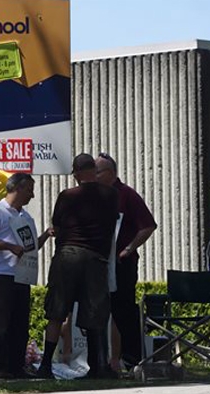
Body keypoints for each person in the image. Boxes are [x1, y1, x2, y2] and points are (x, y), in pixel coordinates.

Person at [36, 153, 119, 379]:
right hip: (95, 258)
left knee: (56, 312)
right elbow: (112, 224)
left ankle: (45, 366)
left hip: (68, 255)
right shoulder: (111, 195)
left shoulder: (67, 196)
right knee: (95, 313)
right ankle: (98, 366)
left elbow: (58, 226)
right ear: (94, 169)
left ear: (77, 172)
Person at [0, 173, 53, 379]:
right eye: (29, 189)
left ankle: (16, 366)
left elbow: (30, 248)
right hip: (0, 275)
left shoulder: (26, 217)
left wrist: (46, 234)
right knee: (0, 324)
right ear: (18, 188)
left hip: (21, 276)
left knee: (19, 324)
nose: (32, 195)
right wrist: (8, 246)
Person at [96, 152, 157, 371]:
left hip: (122, 263)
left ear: (110, 173)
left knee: (123, 310)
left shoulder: (127, 195)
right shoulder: (95, 196)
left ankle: (132, 358)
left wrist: (129, 248)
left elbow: (148, 225)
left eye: (98, 172)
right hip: (99, 263)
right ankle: (103, 360)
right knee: (99, 311)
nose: (94, 176)